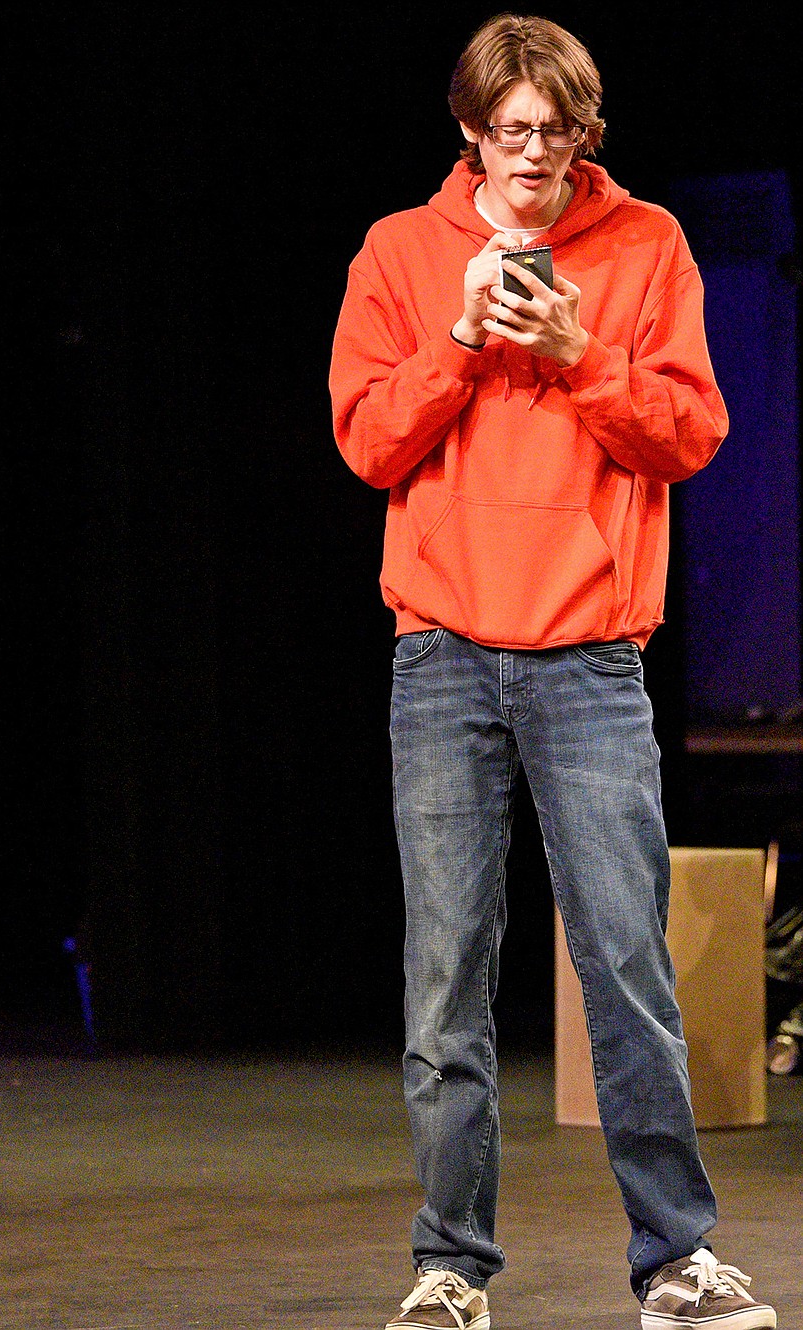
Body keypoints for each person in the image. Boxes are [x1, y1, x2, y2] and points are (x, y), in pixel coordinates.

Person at [329, 15, 775, 1330]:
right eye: (508, 131)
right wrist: (464, 338)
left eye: (556, 132)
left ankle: (674, 1257)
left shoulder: (643, 246)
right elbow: (366, 442)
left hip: (586, 653)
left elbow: (688, 433)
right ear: (469, 131)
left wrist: (581, 353)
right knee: (444, 973)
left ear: (586, 133)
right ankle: (449, 1263)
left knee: (625, 962)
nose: (532, 155)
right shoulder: (400, 254)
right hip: (443, 655)